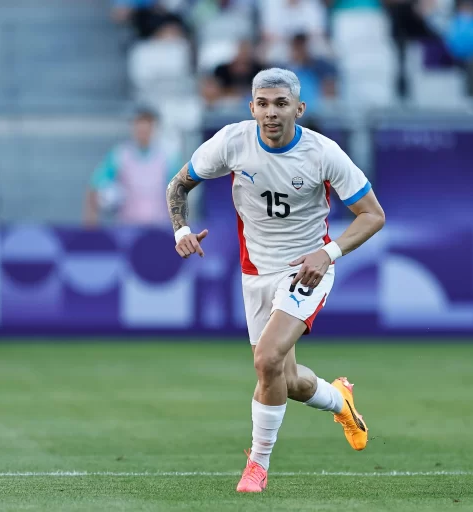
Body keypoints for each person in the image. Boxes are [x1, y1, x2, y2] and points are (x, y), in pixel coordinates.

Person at [165, 68, 385, 492]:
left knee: (265, 360)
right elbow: (178, 186)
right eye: (263, 104)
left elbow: (373, 215)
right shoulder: (232, 141)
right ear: (252, 108)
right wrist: (181, 231)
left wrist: (329, 251)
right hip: (255, 274)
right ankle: (341, 400)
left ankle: (257, 466)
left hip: (307, 268)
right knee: (283, 378)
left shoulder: (324, 153)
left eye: (281, 104)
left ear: (299, 109)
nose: (271, 112)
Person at [85, 109, 174, 227]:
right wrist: (91, 225)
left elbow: (179, 195)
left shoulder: (168, 157)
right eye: (140, 130)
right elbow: (94, 186)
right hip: (128, 228)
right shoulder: (120, 155)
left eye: (147, 130)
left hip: (159, 227)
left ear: (154, 130)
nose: (143, 134)